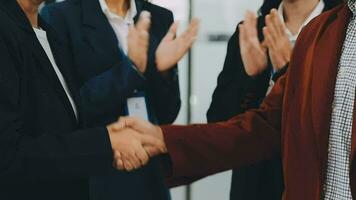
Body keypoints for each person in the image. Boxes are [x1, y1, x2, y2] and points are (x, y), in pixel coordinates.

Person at [114, 0, 356, 199]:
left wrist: (285, 70)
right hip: (254, 186)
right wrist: (164, 138)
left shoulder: (317, 31)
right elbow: (254, 126)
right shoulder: (316, 32)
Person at [0, 0, 197, 199]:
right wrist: (131, 70)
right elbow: (69, 108)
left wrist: (161, 73)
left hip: (147, 175)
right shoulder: (61, 16)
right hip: (94, 178)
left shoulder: (159, 17)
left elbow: (166, 114)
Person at [207, 0, 342, 199]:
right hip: (253, 187)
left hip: (315, 186)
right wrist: (250, 79)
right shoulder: (251, 31)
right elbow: (218, 122)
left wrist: (288, 72)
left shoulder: (341, 27)